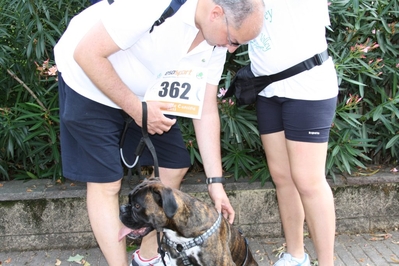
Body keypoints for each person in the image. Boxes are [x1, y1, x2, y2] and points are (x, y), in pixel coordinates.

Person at [54, 0, 265, 265]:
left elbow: (206, 108)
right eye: (233, 40)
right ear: (215, 13)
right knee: (106, 182)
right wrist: (137, 110)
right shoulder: (152, 4)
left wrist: (216, 183)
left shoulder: (215, 42)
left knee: (174, 164)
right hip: (89, 83)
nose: (232, 49)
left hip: (147, 95)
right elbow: (86, 53)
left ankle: (148, 256)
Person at [247, 0, 337, 265]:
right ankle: (295, 255)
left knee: (308, 181)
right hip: (267, 89)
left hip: (307, 89)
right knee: (282, 177)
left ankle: (327, 262)